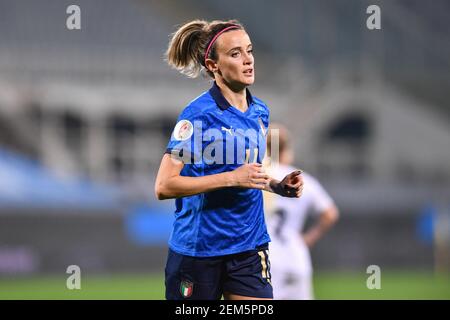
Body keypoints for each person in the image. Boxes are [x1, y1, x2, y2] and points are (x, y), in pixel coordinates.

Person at [154, 19, 304, 300]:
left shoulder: (259, 111)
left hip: (249, 246)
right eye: (235, 54)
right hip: (199, 251)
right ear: (213, 66)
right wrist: (232, 179)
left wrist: (276, 185)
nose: (248, 60)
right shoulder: (197, 116)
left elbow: (248, 172)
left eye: (249, 51)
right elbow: (164, 185)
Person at [263, 123, 339, 300]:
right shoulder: (301, 179)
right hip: (297, 258)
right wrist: (306, 239)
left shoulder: (260, 178)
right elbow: (330, 214)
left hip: (267, 259)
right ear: (286, 149)